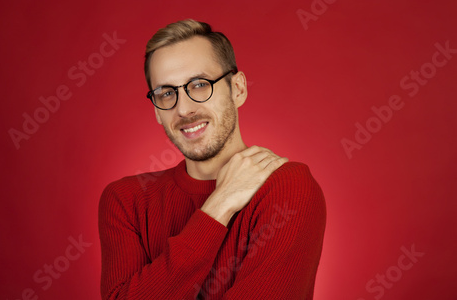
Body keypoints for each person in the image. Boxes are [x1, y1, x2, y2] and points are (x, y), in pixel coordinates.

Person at [98, 19, 326, 299]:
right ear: (156, 111)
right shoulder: (125, 200)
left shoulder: (287, 187)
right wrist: (219, 205)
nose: (183, 109)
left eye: (199, 84)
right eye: (167, 93)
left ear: (238, 88)